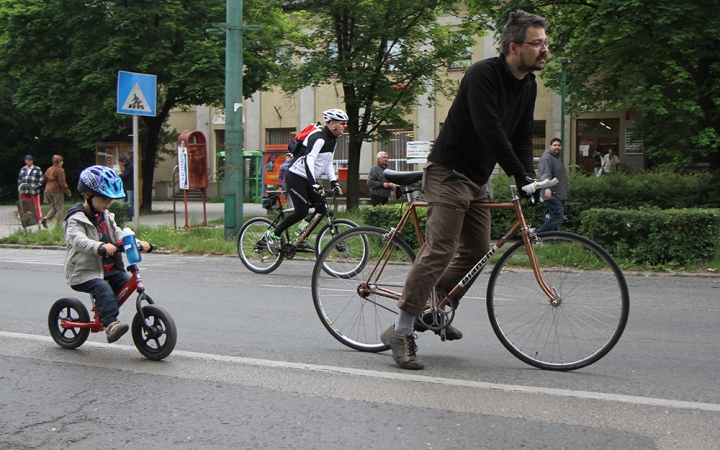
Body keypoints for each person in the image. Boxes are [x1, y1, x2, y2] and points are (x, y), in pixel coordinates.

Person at [380, 10, 548, 370]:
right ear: (514, 46)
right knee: (439, 248)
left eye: (546, 42)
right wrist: (519, 173)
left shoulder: (528, 85)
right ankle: (402, 330)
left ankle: (433, 304)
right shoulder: (482, 74)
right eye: (537, 43)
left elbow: (520, 136)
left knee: (476, 250)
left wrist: (527, 176)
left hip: (478, 178)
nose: (544, 49)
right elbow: (489, 129)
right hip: (448, 171)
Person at [64, 165, 151, 343]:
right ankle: (110, 323)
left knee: (126, 282)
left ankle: (104, 309)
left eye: (110, 200)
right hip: (84, 272)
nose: (108, 204)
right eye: (104, 199)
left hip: (107, 269)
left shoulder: (106, 216)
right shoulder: (75, 219)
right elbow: (79, 241)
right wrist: (99, 246)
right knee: (102, 289)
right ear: (88, 195)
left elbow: (118, 234)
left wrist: (137, 243)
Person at [264, 109, 348, 255]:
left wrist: (334, 182)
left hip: (308, 179)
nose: (345, 126)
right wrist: (313, 182)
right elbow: (310, 158)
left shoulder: (333, 140)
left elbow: (328, 163)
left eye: (345, 123)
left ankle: (301, 237)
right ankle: (273, 234)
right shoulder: (319, 137)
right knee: (301, 211)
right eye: (342, 123)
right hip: (296, 176)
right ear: (333, 124)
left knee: (321, 208)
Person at [536, 138, 567, 233]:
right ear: (550, 146)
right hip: (552, 193)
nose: (557, 147)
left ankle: (555, 241)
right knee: (558, 215)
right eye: (555, 145)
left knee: (556, 217)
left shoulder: (556, 158)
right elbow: (545, 174)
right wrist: (547, 188)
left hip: (559, 193)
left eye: (559, 145)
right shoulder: (547, 157)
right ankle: (538, 233)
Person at [41, 155, 72, 228]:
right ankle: (59, 225)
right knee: (59, 208)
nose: (62, 163)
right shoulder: (60, 170)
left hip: (48, 190)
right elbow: (62, 182)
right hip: (56, 190)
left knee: (55, 207)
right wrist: (67, 191)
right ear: (59, 162)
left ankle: (46, 218)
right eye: (61, 161)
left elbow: (44, 178)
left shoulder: (49, 169)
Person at [17, 154, 43, 223]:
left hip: (34, 191)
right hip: (25, 190)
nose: (30, 161)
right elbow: (19, 179)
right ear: (25, 161)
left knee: (36, 205)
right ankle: (28, 219)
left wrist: (36, 186)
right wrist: (20, 189)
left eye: (31, 160)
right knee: (26, 205)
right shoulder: (23, 169)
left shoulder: (37, 169)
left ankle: (39, 218)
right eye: (28, 160)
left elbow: (41, 179)